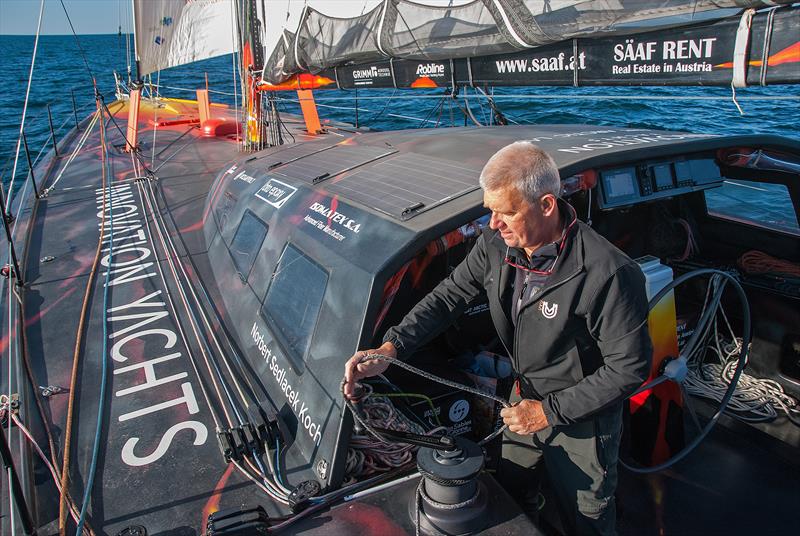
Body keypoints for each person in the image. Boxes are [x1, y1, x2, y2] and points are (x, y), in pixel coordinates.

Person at [343, 141, 652, 535]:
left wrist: (547, 412)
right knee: (511, 491)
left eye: (506, 212)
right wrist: (393, 347)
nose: (493, 224)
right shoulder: (496, 244)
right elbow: (449, 297)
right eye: (490, 211)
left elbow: (630, 369)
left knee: (586, 519)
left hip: (583, 420)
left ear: (546, 205)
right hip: (522, 399)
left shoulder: (608, 272)